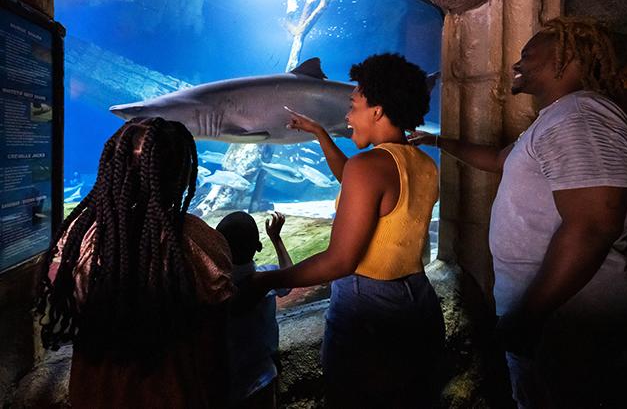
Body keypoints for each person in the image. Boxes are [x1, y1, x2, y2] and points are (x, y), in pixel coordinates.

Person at [410, 16, 627, 408]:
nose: (516, 64)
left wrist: (527, 317)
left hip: (574, 323)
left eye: (528, 55)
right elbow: (500, 160)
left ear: (566, 61)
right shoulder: (558, 118)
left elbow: (593, 226)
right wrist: (436, 139)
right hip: (558, 321)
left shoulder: (581, 118)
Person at [248, 53, 445, 408]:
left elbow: (340, 260)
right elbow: (359, 186)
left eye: (353, 105)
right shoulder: (422, 163)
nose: (347, 116)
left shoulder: (369, 167)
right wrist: (321, 135)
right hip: (417, 300)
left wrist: (266, 281)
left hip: (368, 312)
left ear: (378, 111)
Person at [37, 117, 234, 409]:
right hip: (174, 394)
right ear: (180, 173)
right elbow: (215, 335)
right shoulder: (199, 242)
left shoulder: (79, 241)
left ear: (111, 169)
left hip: (94, 394)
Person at [216, 211, 292, 409]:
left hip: (227, 380)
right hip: (264, 374)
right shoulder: (268, 276)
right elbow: (289, 277)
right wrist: (276, 239)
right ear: (258, 248)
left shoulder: (215, 289)